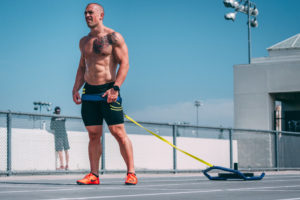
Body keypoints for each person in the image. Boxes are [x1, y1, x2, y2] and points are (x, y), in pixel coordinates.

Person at [72, 3, 137, 185]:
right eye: (85, 13)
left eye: (90, 12)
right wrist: (75, 88)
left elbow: (125, 63)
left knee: (117, 132)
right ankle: (93, 174)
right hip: (89, 92)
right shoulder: (83, 41)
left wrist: (116, 87)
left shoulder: (113, 37)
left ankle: (131, 172)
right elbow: (82, 66)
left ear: (101, 15)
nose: (87, 16)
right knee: (93, 135)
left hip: (108, 90)